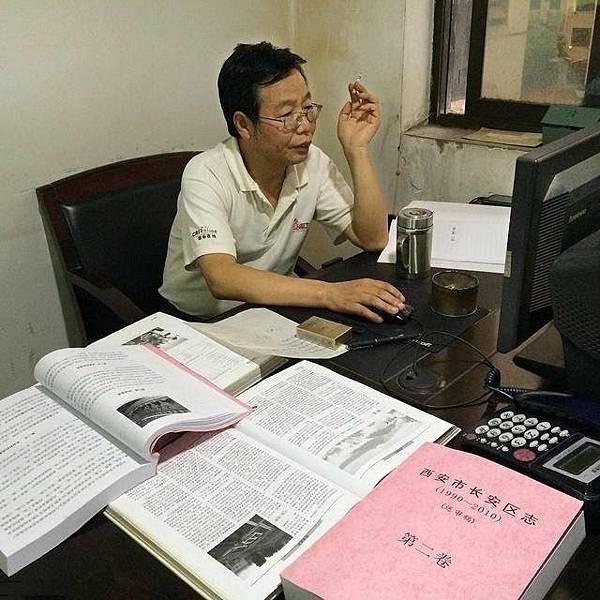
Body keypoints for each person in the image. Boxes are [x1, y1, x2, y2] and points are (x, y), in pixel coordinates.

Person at [159, 41, 407, 322]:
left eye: (308, 108)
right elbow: (222, 277)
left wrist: (356, 149)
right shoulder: (206, 173)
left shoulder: (312, 163)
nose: (306, 126)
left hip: (271, 311)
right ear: (243, 124)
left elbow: (373, 238)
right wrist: (330, 293)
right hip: (196, 322)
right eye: (287, 115)